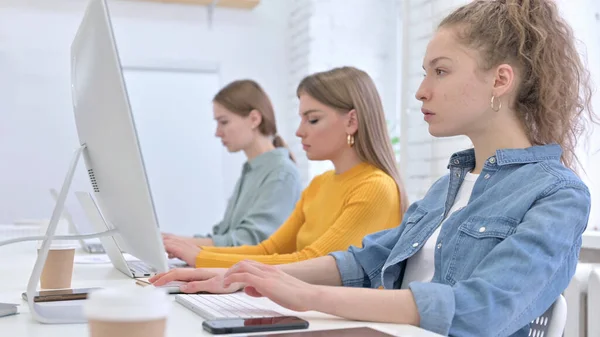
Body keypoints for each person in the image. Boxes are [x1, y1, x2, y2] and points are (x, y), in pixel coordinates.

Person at [150, 1, 596, 336]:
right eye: (424, 73)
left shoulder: (557, 194)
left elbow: (482, 308)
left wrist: (306, 296)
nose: (421, 91)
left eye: (440, 72)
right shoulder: (448, 186)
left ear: (500, 80)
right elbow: (366, 261)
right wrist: (245, 275)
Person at [162, 66, 409, 268]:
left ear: (352, 121)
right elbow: (268, 249)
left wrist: (200, 257)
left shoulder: (375, 187)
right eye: (301, 119)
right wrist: (193, 252)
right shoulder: (319, 185)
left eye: (312, 119)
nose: (300, 131)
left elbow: (312, 262)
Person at [162, 80, 302, 249]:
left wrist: (175, 243)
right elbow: (224, 235)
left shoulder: (281, 173)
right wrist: (174, 242)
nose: (217, 132)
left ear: (254, 119)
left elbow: (249, 242)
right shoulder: (252, 170)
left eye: (224, 122)